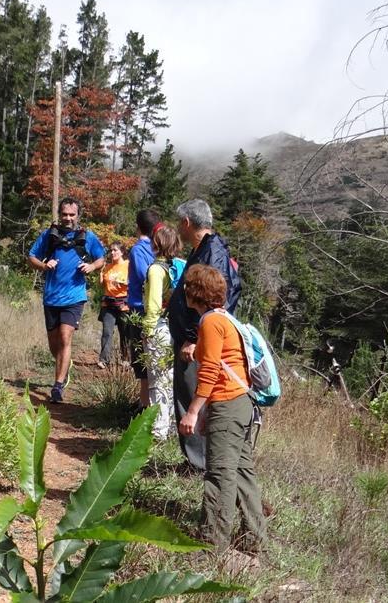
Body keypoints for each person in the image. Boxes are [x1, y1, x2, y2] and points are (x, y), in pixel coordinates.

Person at [178, 264, 267, 553]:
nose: (184, 291)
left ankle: (212, 544)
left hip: (229, 405)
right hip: (240, 403)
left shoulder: (210, 323)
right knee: (242, 472)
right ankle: (255, 541)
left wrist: (193, 411)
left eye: (188, 287)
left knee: (219, 474)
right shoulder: (225, 319)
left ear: (196, 293)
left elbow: (211, 372)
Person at [169, 199, 242, 470]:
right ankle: (195, 460)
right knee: (187, 395)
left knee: (193, 396)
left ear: (187, 223)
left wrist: (194, 337)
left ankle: (198, 463)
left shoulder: (213, 253)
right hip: (192, 338)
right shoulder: (204, 249)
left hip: (197, 342)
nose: (179, 228)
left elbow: (215, 300)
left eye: (180, 223)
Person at [28, 198, 105, 403]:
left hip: (74, 297)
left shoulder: (87, 237)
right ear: (59, 214)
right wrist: (44, 266)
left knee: (65, 337)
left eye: (72, 215)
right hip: (51, 296)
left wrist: (92, 267)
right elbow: (32, 257)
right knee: (54, 344)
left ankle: (58, 386)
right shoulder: (49, 235)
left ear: (78, 216)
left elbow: (100, 258)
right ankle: (64, 364)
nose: (68, 218)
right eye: (65, 214)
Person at [141, 224, 182, 439]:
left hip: (158, 328)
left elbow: (154, 303)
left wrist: (147, 329)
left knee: (157, 379)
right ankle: (174, 427)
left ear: (156, 244)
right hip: (174, 328)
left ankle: (158, 431)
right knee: (171, 378)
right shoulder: (177, 266)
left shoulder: (156, 270)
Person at [126, 209, 160, 410]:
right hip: (157, 309)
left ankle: (144, 405)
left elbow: (142, 277)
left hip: (140, 309)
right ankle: (147, 403)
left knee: (141, 360)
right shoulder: (160, 249)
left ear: (138, 226)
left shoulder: (138, 250)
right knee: (152, 358)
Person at [98, 242, 129, 369]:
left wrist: (123, 282)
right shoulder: (107, 267)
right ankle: (104, 360)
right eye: (111, 250)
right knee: (107, 332)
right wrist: (100, 278)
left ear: (122, 252)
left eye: (115, 250)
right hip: (108, 302)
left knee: (125, 332)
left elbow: (135, 280)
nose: (112, 253)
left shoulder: (128, 265)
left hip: (123, 302)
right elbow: (102, 285)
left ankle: (126, 359)